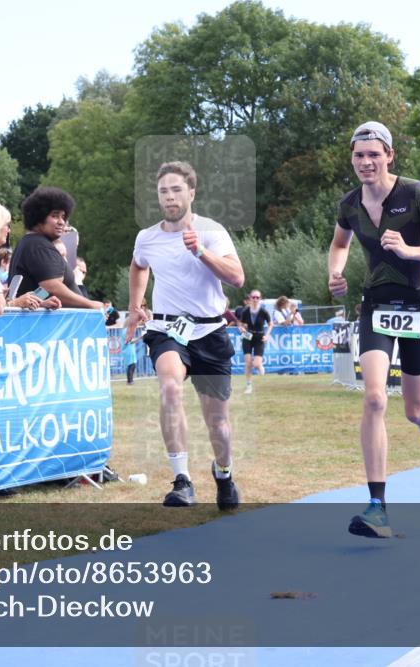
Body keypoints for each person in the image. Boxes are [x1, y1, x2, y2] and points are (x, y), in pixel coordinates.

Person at [327, 121, 420, 538]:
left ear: (389, 156)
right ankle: (377, 507)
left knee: (415, 410)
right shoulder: (349, 204)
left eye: (374, 154)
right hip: (374, 307)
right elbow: (339, 244)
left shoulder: (414, 193)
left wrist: (409, 249)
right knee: (373, 398)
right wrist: (335, 272)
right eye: (359, 155)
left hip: (415, 306)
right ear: (351, 159)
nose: (366, 162)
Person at [126, 161, 245, 511]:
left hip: (209, 331)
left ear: (191, 193)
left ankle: (223, 473)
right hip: (167, 329)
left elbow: (237, 278)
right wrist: (135, 306)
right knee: (170, 386)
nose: (170, 196)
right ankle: (182, 480)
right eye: (163, 191)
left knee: (219, 424)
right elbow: (138, 266)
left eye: (176, 189)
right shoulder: (147, 237)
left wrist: (200, 252)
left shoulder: (211, 232)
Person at [8, 186, 103, 309]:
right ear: (38, 217)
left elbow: (43, 291)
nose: (61, 222)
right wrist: (91, 304)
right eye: (55, 216)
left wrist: (40, 302)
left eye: (63, 217)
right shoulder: (39, 245)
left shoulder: (30, 243)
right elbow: (52, 287)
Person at [238, 289, 272, 395]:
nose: (255, 299)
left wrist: (267, 335)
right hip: (248, 337)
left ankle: (260, 367)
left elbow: (271, 324)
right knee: (248, 363)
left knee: (256, 364)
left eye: (257, 297)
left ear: (260, 299)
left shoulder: (264, 312)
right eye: (253, 297)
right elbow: (241, 325)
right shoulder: (245, 311)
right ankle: (249, 386)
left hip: (259, 338)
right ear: (250, 299)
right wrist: (242, 329)